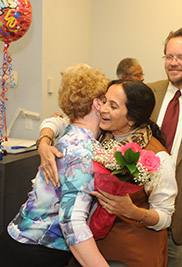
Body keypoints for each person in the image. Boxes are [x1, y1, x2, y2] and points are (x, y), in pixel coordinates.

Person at [37, 79, 177, 267]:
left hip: (132, 248)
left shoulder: (158, 157)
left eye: (113, 106)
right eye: (104, 101)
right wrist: (44, 142)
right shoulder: (100, 133)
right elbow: (57, 122)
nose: (102, 109)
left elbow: (165, 217)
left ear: (132, 118)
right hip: (88, 243)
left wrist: (132, 211)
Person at [0, 64, 112, 267]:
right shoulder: (83, 151)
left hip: (20, 239)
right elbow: (72, 222)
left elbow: (53, 123)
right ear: (97, 103)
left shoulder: (70, 132)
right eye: (105, 101)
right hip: (36, 250)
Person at [147, 27, 182, 267]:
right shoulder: (150, 93)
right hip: (143, 214)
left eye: (180, 57)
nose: (173, 63)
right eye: (169, 57)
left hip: (179, 223)